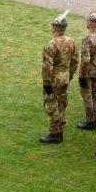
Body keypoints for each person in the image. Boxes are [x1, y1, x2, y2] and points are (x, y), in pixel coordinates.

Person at [39, 10, 78, 143]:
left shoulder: (51, 44)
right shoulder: (71, 41)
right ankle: (60, 129)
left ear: (55, 27)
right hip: (65, 77)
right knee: (61, 103)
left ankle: (54, 133)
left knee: (52, 105)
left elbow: (47, 66)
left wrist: (47, 83)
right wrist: (70, 74)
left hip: (54, 79)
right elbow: (75, 60)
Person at [77, 11, 96, 131]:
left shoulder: (87, 38)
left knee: (88, 96)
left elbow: (85, 60)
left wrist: (82, 76)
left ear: (90, 23)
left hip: (89, 72)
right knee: (95, 95)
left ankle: (90, 121)